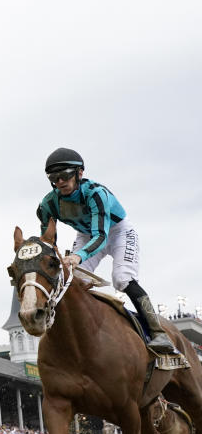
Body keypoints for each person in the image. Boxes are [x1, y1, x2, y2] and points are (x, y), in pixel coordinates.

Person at [36, 148, 175, 353]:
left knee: (122, 278)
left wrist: (77, 256)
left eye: (65, 175)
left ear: (79, 174)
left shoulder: (96, 193)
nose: (60, 182)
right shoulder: (48, 204)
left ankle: (158, 333)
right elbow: (49, 241)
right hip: (85, 234)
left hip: (118, 232)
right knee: (72, 279)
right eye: (54, 178)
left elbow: (101, 235)